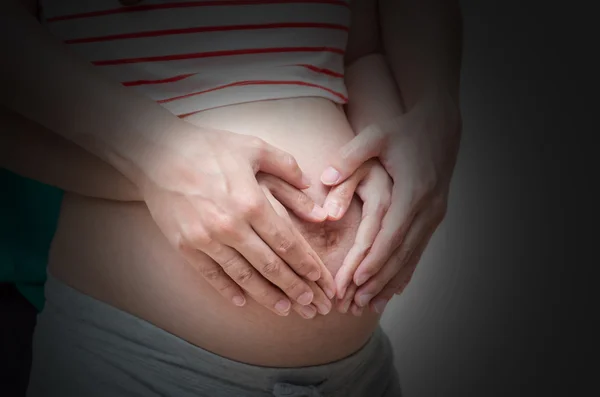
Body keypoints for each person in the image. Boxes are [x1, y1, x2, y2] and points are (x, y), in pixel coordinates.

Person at [0, 0, 462, 396]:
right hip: (136, 367)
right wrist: (152, 158)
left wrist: (386, 146)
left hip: (362, 375)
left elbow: (361, 50)